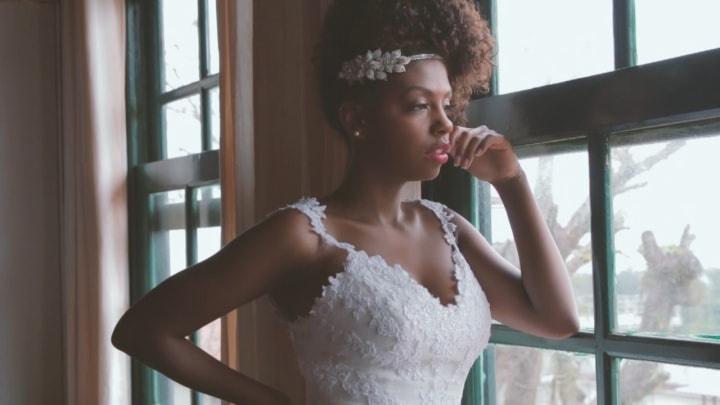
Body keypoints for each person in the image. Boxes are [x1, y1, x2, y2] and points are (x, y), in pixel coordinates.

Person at [112, 0, 580, 403]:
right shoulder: (303, 235)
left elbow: (557, 319)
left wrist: (511, 181)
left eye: (446, 105)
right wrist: (270, 401)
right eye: (419, 106)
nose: (444, 125)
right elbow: (143, 330)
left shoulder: (448, 228)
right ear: (357, 118)